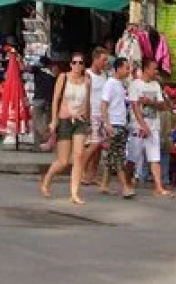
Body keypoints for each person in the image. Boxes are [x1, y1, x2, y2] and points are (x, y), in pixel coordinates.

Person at [39, 53, 92, 204]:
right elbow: (56, 98)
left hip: (80, 121)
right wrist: (54, 120)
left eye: (80, 63)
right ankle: (47, 179)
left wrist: (88, 121)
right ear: (70, 64)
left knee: (79, 155)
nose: (77, 66)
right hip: (65, 120)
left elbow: (88, 102)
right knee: (63, 161)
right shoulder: (63, 77)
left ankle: (74, 193)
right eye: (74, 63)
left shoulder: (87, 81)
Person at [129, 58, 172, 197]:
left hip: (154, 125)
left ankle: (159, 187)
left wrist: (150, 102)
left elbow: (162, 105)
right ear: (146, 69)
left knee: (155, 157)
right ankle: (128, 181)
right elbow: (135, 106)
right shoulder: (135, 85)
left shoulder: (156, 85)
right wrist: (142, 125)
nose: (156, 71)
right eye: (154, 68)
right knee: (133, 157)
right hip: (138, 127)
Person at [100, 56, 136, 198]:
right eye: (126, 68)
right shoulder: (110, 84)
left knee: (112, 156)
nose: (128, 71)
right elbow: (104, 104)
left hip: (121, 123)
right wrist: (107, 124)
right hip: (114, 124)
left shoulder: (120, 84)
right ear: (119, 68)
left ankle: (104, 184)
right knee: (119, 157)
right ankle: (125, 187)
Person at [79, 47, 111, 186]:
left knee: (98, 147)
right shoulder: (87, 74)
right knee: (94, 143)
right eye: (103, 60)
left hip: (102, 114)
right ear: (95, 59)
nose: (105, 63)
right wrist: (86, 114)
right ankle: (80, 171)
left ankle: (91, 174)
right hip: (92, 113)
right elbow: (84, 95)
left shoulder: (104, 75)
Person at [30, 56, 59, 152]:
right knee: (48, 122)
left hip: (38, 99)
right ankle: (44, 144)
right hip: (49, 100)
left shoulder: (38, 71)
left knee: (36, 121)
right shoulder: (53, 75)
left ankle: (40, 142)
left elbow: (31, 68)